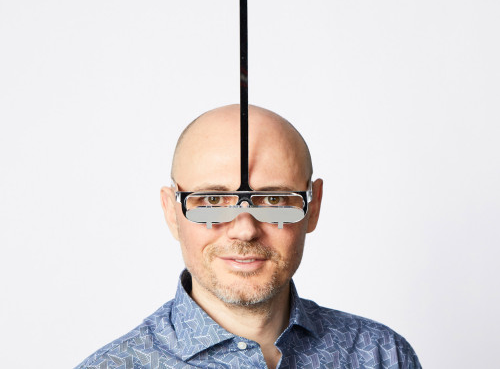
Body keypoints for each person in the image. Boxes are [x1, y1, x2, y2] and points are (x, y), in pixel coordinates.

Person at [76, 104, 421, 369]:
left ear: (313, 208)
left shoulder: (382, 356)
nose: (245, 229)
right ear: (171, 212)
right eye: (212, 201)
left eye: (273, 200)